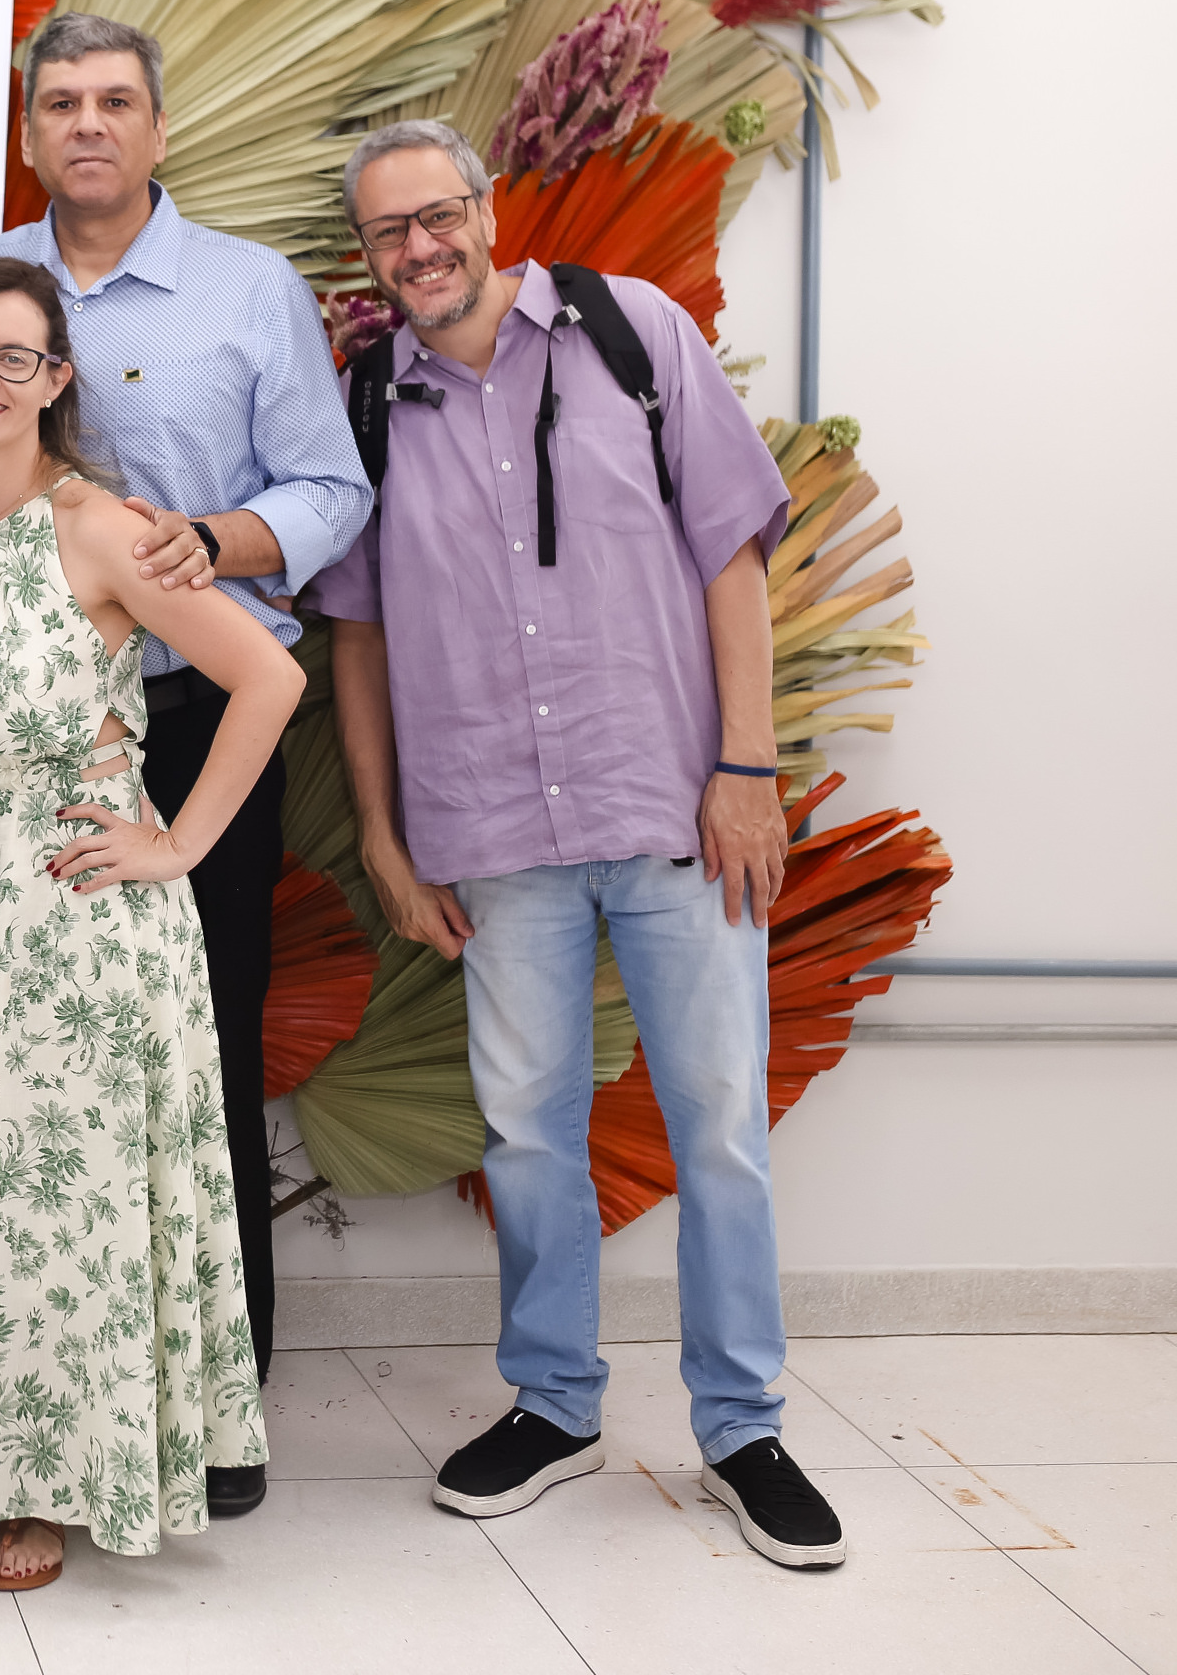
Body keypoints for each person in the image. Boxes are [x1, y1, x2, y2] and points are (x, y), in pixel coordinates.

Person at [321, 119, 843, 1569]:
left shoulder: (632, 332)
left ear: (487, 209)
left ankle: (743, 1428)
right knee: (526, 1131)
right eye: (389, 232)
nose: (420, 248)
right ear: (367, 257)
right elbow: (356, 633)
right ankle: (554, 1407)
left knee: (719, 1125)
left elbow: (732, 555)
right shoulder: (370, 400)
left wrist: (748, 768)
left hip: (676, 810)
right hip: (492, 828)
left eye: (438, 215)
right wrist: (381, 836)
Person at [0, 11, 375, 1514]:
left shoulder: (252, 290)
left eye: (115, 100)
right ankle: (41, 1394)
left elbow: (332, 489)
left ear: (157, 126)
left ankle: (213, 1409)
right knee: (35, 1074)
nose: (88, 124)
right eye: (61, 102)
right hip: (29, 742)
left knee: (206, 1049)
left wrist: (218, 540)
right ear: (30, 133)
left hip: (199, 716)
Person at [0, 257, 291, 1589]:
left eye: (14, 356)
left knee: (60, 1205)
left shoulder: (100, 527)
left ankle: (45, 1487)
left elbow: (267, 676)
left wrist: (180, 843)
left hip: (77, 909)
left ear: (56, 379)